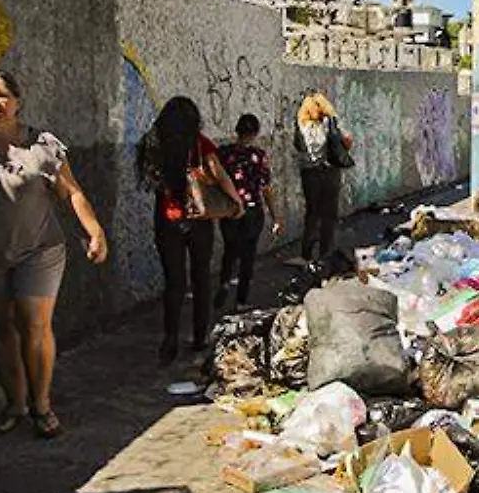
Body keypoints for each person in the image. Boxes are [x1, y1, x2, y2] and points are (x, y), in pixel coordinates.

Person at [0, 69, 107, 438]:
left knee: (34, 324)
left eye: (1, 96)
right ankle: (14, 404)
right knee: (1, 330)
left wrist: (94, 231)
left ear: (18, 100)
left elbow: (72, 192)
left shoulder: (41, 145)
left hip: (39, 250)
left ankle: (42, 407)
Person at [135, 96, 243, 366]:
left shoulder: (152, 142)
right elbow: (219, 175)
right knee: (201, 278)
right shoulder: (199, 143)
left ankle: (170, 339)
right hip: (198, 219)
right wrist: (236, 202)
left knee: (174, 282)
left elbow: (148, 181)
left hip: (166, 218)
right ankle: (199, 337)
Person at [215, 113, 283, 310]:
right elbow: (266, 188)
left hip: (230, 211)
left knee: (230, 251)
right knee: (248, 255)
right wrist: (275, 216)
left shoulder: (224, 153)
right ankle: (241, 301)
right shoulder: (258, 156)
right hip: (252, 210)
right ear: (255, 133)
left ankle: (224, 283)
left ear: (237, 131)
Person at [294, 92, 353, 262]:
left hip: (309, 172)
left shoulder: (300, 123)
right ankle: (324, 253)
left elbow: (297, 145)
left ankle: (306, 254)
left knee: (312, 214)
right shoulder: (329, 122)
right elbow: (344, 142)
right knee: (329, 215)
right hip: (330, 171)